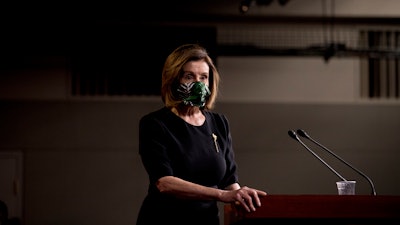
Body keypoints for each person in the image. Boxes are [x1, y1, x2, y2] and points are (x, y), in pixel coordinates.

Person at [136, 43, 267, 225]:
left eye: (203, 77)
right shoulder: (155, 124)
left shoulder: (219, 123)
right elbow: (164, 183)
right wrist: (222, 195)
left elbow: (229, 179)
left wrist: (240, 195)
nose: (198, 84)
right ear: (174, 79)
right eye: (189, 76)